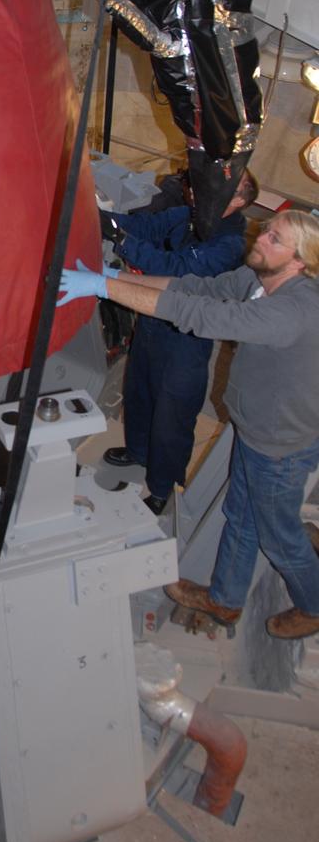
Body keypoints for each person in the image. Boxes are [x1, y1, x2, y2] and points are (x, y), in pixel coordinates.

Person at [58, 209, 319, 640]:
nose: (261, 237)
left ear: (300, 263)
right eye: (268, 229)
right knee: (240, 515)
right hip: (254, 426)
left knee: (279, 535)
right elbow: (195, 289)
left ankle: (312, 605)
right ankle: (226, 600)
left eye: (275, 239)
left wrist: (105, 288)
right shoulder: (259, 281)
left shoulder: (292, 310)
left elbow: (199, 316)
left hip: (279, 445)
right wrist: (116, 276)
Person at [100, 170, 257, 514]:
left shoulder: (229, 243)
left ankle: (161, 485)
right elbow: (147, 226)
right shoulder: (188, 216)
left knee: (174, 411)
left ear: (238, 202)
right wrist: (95, 215)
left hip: (187, 335)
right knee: (139, 388)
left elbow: (176, 268)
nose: (201, 193)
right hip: (154, 319)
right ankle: (138, 451)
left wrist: (122, 240)